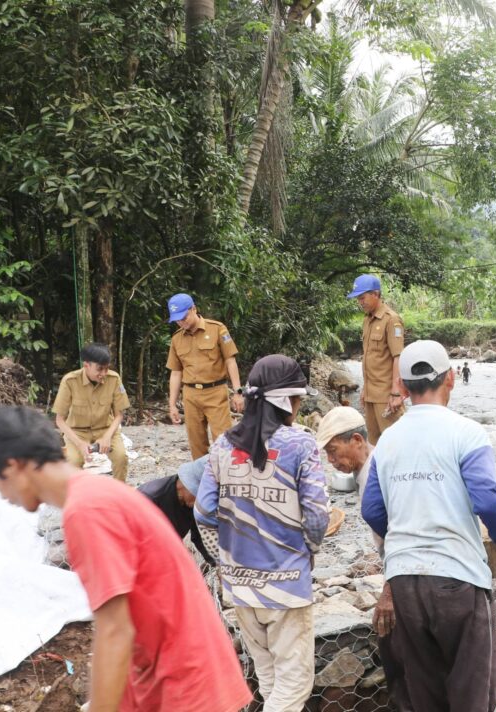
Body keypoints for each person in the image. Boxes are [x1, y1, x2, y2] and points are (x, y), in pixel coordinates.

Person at [0, 406, 251, 712]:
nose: (2, 496)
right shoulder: (99, 493)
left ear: (13, 467)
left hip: (184, 683)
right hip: (173, 674)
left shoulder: (87, 510)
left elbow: (116, 630)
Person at [361, 340, 496, 712]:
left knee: (425, 689)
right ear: (451, 379)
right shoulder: (466, 432)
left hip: (405, 581)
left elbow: (372, 510)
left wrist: (405, 538)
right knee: (472, 689)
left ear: (404, 389)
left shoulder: (387, 440)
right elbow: (489, 501)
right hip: (457, 579)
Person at [196, 355, 329, 712]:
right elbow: (317, 515)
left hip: (239, 584)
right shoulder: (301, 445)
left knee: (269, 677)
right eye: (298, 398)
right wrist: (309, 552)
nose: (300, 406)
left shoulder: (223, 445)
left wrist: (226, 556)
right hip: (285, 584)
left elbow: (204, 510)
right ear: (285, 400)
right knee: (293, 686)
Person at [315, 407, 412, 712]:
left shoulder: (374, 472)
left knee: (399, 634)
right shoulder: (369, 467)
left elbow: (399, 534)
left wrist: (389, 590)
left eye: (334, 451)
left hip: (409, 566)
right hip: (404, 564)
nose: (331, 461)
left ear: (357, 439)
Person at [165, 293, 245, 460]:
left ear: (194, 309)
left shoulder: (217, 329)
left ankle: (226, 480)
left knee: (224, 441)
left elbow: (231, 361)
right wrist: (172, 404)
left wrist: (238, 392)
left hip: (216, 392)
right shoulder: (176, 339)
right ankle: (202, 482)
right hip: (190, 396)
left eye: (184, 317)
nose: (181, 322)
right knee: (197, 444)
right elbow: (176, 372)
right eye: (177, 320)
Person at [52, 342, 131, 481]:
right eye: (99, 369)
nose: (104, 374)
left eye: (106, 369)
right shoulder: (70, 381)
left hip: (106, 429)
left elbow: (119, 415)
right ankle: (78, 496)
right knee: (73, 462)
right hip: (77, 431)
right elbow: (60, 420)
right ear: (86, 365)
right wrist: (79, 443)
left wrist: (106, 437)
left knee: (121, 457)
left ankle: (119, 492)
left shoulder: (114, 379)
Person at [347, 274, 406, 444]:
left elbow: (398, 357)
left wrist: (396, 392)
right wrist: (365, 388)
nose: (360, 302)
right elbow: (370, 358)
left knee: (394, 444)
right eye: (358, 298)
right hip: (371, 395)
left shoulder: (391, 319)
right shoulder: (367, 320)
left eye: (363, 297)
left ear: (375, 294)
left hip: (387, 396)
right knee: (373, 445)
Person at [137, 456, 215, 566]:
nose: (202, 502)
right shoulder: (150, 498)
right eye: (199, 496)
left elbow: (200, 536)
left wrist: (216, 563)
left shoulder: (192, 503)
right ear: (184, 485)